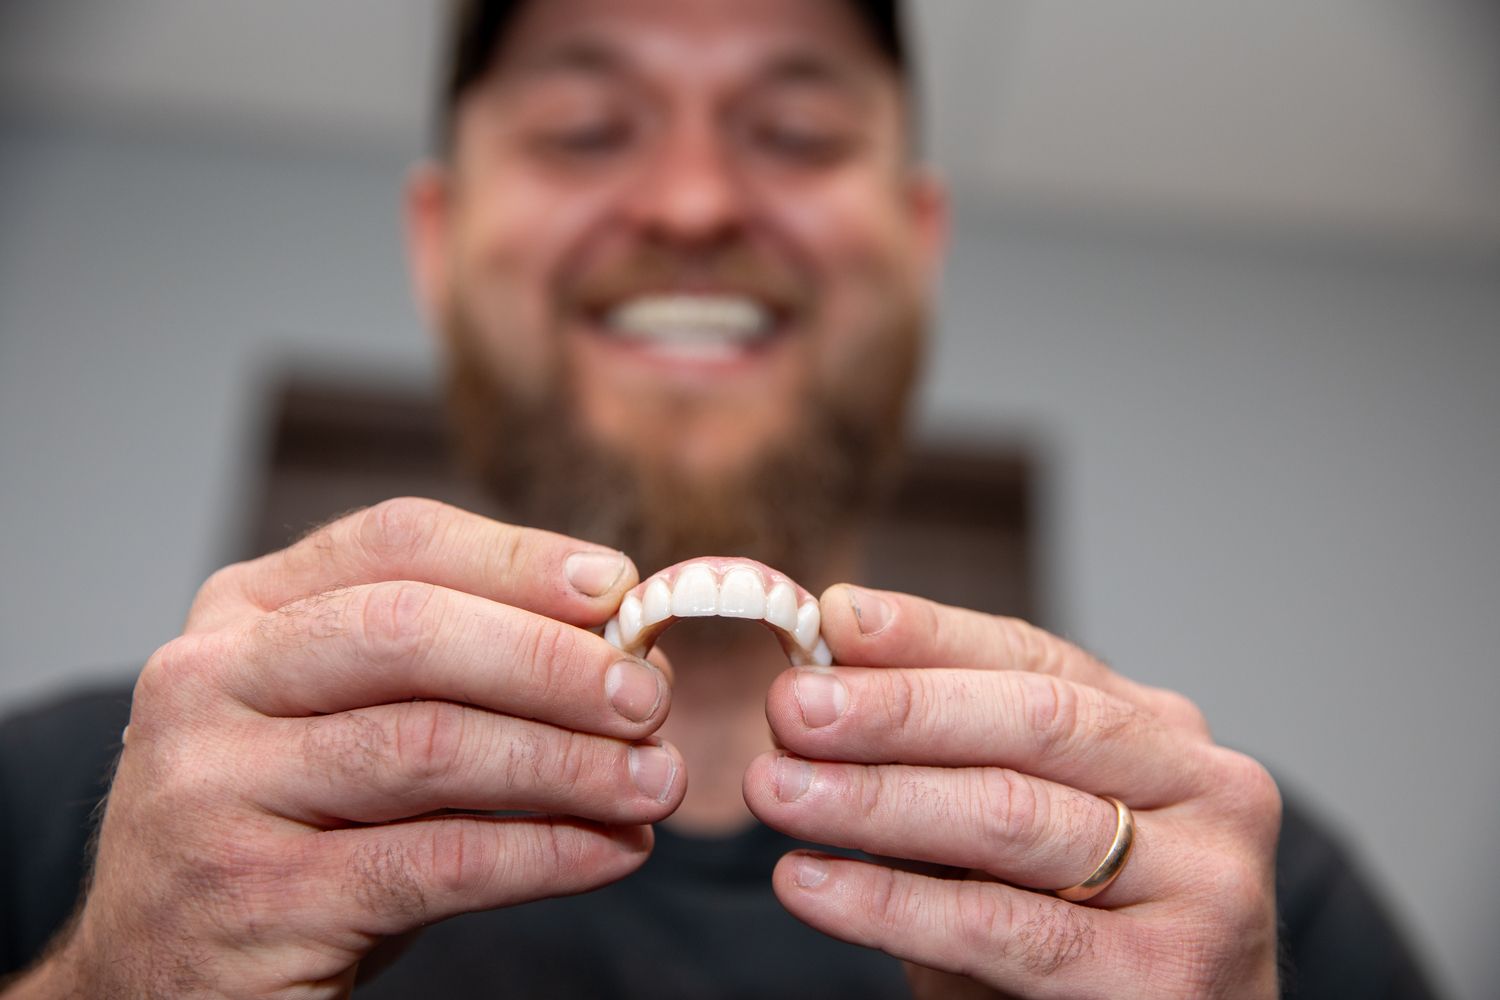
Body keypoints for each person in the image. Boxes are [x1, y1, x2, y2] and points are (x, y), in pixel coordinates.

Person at [0, 1, 1439, 997]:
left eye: (797, 133)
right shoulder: (83, 807)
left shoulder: (1233, 899)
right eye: (584, 127)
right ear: (439, 242)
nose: (692, 202)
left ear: (919, 244)